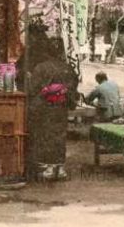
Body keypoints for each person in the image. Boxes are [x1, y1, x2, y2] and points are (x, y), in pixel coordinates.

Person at [19, 23, 79, 181]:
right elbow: (73, 87)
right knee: (59, 136)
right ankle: (60, 167)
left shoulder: (41, 68)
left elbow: (32, 89)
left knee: (44, 136)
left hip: (44, 107)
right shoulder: (67, 68)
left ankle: (47, 168)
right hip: (61, 106)